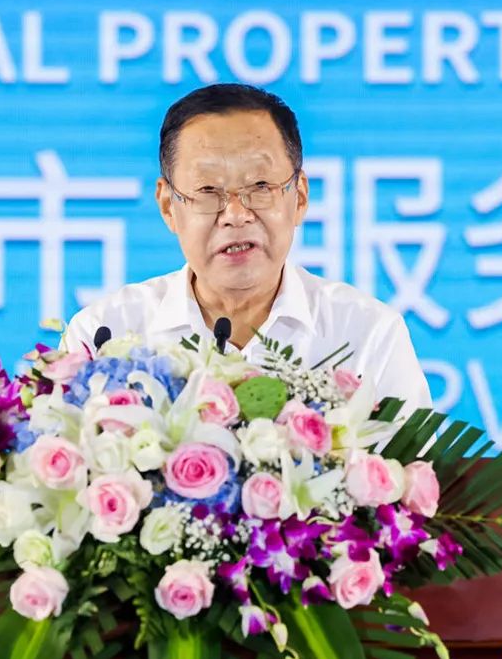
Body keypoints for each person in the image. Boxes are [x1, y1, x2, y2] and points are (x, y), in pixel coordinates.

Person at [62, 83, 432, 414]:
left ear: (300, 197)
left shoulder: (367, 335)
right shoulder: (105, 334)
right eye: (208, 190)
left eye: (261, 186)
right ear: (168, 206)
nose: (236, 215)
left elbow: (416, 468)